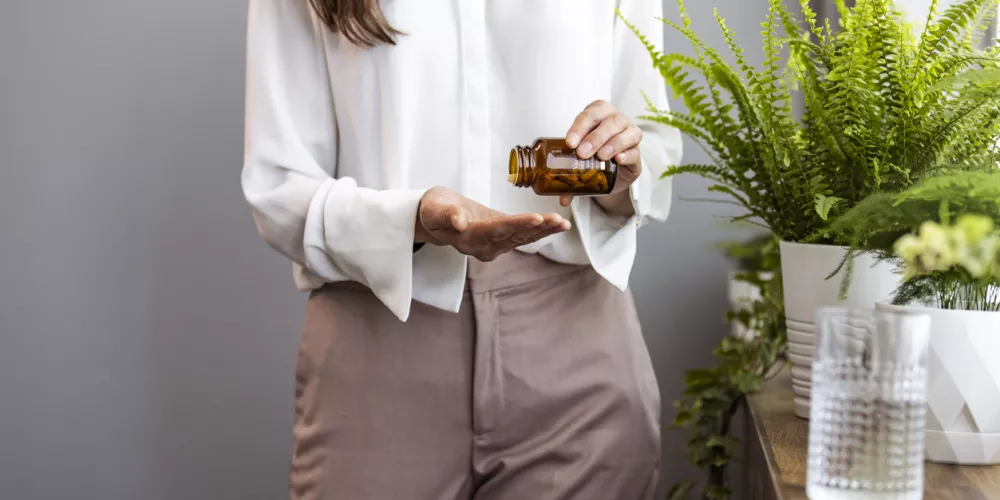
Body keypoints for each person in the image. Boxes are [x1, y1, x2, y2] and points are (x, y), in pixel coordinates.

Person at [241, 0, 682, 498]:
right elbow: (277, 186)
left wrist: (622, 169)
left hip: (576, 354)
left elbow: (654, 148)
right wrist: (414, 218)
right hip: (378, 343)